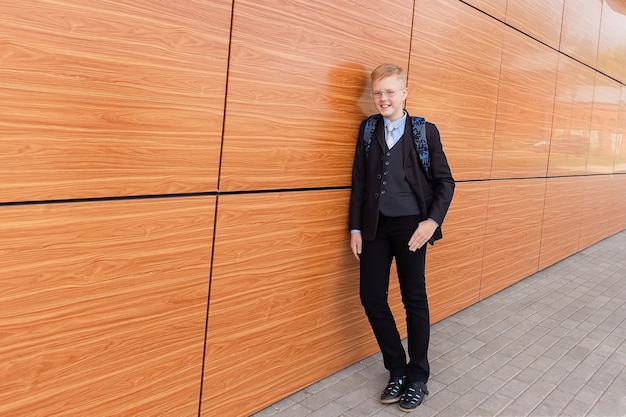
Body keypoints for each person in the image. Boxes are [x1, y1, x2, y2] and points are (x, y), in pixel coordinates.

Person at [349, 63, 454, 412]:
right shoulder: (367, 131)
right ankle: (397, 369)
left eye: (390, 91)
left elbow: (445, 183)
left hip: (412, 227)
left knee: (414, 299)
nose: (383, 98)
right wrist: (356, 229)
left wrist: (430, 222)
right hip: (375, 228)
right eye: (378, 92)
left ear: (404, 93)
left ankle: (419, 376)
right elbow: (360, 185)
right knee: (371, 297)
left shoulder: (425, 132)